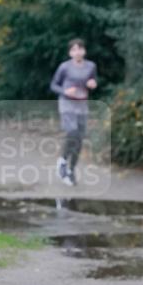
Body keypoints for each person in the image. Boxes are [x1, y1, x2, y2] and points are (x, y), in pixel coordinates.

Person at [50, 39, 97, 186]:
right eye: (74, 50)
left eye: (80, 49)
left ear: (84, 51)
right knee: (72, 132)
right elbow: (53, 85)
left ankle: (71, 170)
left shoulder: (91, 66)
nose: (77, 52)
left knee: (79, 139)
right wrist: (65, 91)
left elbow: (93, 80)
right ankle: (62, 161)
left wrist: (93, 84)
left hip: (82, 104)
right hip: (66, 103)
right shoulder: (64, 67)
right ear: (70, 52)